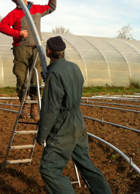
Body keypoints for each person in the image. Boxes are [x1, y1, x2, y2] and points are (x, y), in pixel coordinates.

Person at [36, 36, 112, 194]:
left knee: (49, 169)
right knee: (85, 164)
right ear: (63, 52)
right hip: (78, 120)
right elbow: (69, 85)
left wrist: (42, 134)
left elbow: (51, 108)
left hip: (63, 125)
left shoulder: (55, 74)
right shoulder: (74, 67)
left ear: (48, 52)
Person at [0, 0, 57, 120]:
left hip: (37, 48)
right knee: (21, 78)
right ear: (15, 1)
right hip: (21, 49)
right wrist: (17, 33)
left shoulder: (36, 9)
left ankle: (35, 107)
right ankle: (24, 106)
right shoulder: (14, 14)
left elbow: (51, 7)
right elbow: (1, 26)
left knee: (37, 77)